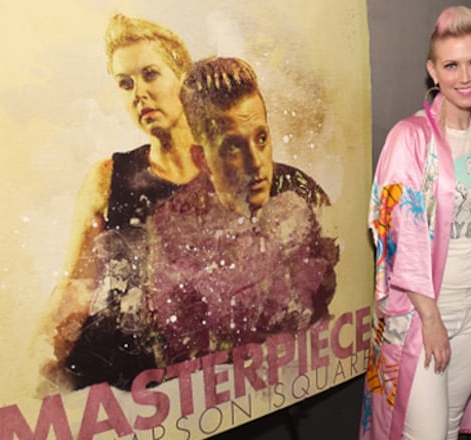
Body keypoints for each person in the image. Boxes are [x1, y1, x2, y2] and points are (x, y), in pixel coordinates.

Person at [39, 14, 198, 392]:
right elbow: (74, 292)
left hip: (211, 380)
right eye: (125, 83)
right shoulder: (108, 178)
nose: (137, 92)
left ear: (184, 79)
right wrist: (33, 374)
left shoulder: (229, 170)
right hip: (124, 384)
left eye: (150, 74)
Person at [144, 56, 338, 364]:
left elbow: (329, 310)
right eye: (233, 146)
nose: (256, 163)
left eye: (261, 138)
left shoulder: (303, 193)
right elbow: (175, 354)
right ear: (201, 158)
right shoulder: (172, 230)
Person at [360, 6, 471, 440]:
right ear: (432, 71)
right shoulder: (409, 137)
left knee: (452, 427)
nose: (465, 76)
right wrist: (432, 318)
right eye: (451, 65)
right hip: (421, 317)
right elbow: (399, 231)